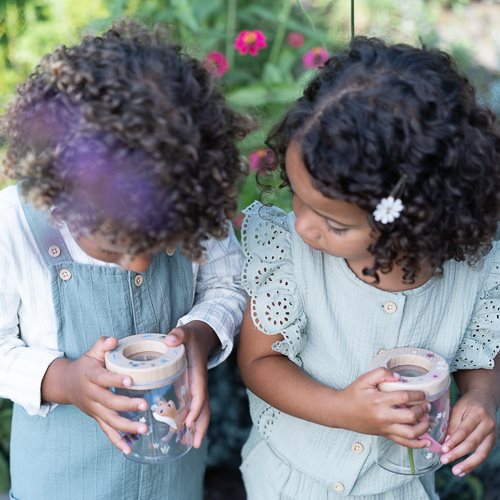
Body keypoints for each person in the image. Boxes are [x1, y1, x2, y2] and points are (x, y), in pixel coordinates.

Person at [237, 36, 500, 499]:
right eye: (296, 196)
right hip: (292, 481)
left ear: (413, 223)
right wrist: (343, 409)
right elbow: (259, 361)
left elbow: (480, 355)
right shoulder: (289, 255)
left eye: (334, 224)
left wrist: (482, 397)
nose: (302, 226)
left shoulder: (471, 272)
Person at [0, 20, 253, 500]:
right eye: (117, 247)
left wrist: (199, 337)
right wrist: (65, 380)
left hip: (173, 484)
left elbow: (228, 282)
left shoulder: (186, 200)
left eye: (162, 244)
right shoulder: (13, 226)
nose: (141, 265)